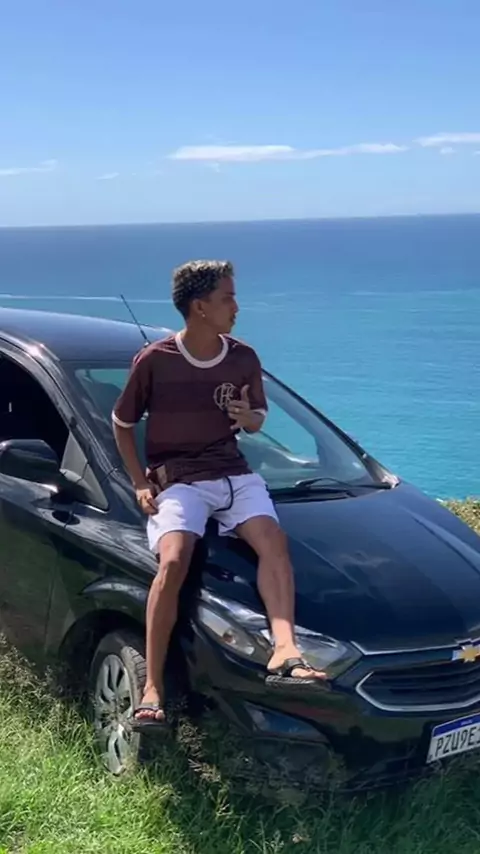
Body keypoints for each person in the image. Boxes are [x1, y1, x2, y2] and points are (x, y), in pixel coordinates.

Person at [112, 260, 326, 731]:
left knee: (273, 542)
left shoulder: (243, 357)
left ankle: (285, 651)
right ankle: (152, 687)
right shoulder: (155, 360)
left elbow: (257, 420)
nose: (236, 306)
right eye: (227, 297)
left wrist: (248, 417)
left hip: (234, 475)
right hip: (180, 481)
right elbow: (122, 423)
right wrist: (140, 483)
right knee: (174, 560)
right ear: (200, 307)